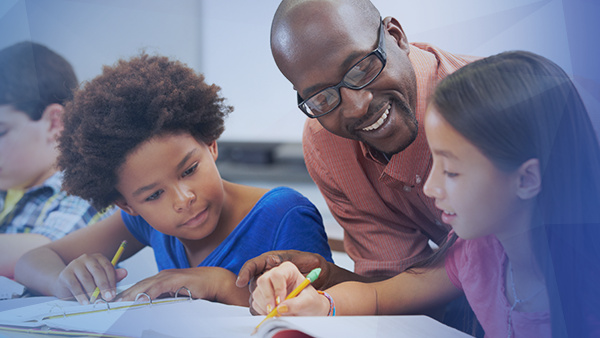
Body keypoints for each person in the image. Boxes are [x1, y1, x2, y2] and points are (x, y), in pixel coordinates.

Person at [251, 51, 600, 337]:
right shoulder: (478, 255)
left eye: (451, 171)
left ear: (526, 180)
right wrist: (322, 305)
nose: (431, 189)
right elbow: (377, 295)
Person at [14, 53, 333, 307]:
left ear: (211, 143)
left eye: (189, 170)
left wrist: (218, 285)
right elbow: (32, 260)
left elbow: (320, 309)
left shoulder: (284, 214)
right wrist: (62, 280)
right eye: (153, 195)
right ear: (127, 204)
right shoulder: (142, 222)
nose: (183, 199)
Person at [236, 0, 481, 291]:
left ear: (396, 36)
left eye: (362, 68)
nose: (356, 108)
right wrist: (327, 278)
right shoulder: (325, 144)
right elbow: (397, 288)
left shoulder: (501, 106)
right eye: (322, 98)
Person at [0, 42, 113, 278]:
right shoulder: (9, 186)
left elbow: (48, 254)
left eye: (2, 132)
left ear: (54, 123)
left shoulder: (86, 188)